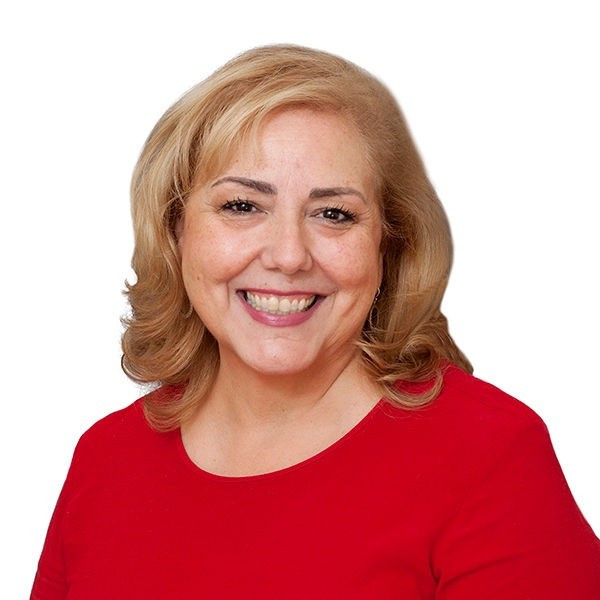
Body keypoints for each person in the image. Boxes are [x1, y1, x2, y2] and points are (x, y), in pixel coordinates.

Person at [31, 45, 600, 599]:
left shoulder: (491, 457)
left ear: (389, 242)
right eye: (242, 206)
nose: (287, 255)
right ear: (176, 230)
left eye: (333, 214)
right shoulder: (106, 460)